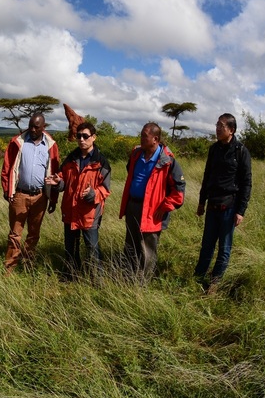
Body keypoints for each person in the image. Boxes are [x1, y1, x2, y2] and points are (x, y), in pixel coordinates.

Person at [119, 123, 185, 283]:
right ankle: (128, 278)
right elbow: (131, 173)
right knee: (131, 244)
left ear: (155, 139)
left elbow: (179, 190)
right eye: (141, 135)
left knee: (147, 248)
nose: (141, 139)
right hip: (133, 206)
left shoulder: (167, 161)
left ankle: (143, 283)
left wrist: (165, 206)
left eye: (144, 136)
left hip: (152, 210)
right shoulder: (136, 154)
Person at [193, 113, 253, 292]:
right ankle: (198, 277)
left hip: (230, 206)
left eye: (221, 126)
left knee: (224, 248)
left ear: (231, 130)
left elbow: (246, 183)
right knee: (207, 245)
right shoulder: (214, 149)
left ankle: (215, 282)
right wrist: (201, 202)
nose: (217, 129)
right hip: (212, 205)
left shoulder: (240, 151)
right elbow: (207, 176)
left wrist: (241, 210)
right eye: (217, 125)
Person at [46, 122, 111, 281]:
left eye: (85, 136)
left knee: (92, 248)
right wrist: (57, 183)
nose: (81, 139)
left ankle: (97, 280)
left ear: (94, 137)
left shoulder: (101, 162)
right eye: (79, 136)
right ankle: (70, 276)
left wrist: (92, 194)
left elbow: (105, 189)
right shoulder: (70, 159)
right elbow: (63, 181)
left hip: (89, 213)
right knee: (70, 247)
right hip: (70, 210)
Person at [1, 113, 61, 273]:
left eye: (37, 127)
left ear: (44, 127)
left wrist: (53, 198)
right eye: (31, 125)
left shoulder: (50, 145)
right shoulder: (17, 142)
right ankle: (10, 268)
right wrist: (8, 190)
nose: (33, 129)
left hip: (41, 196)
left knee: (34, 234)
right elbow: (7, 167)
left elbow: (55, 172)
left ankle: (28, 266)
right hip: (19, 195)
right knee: (15, 234)